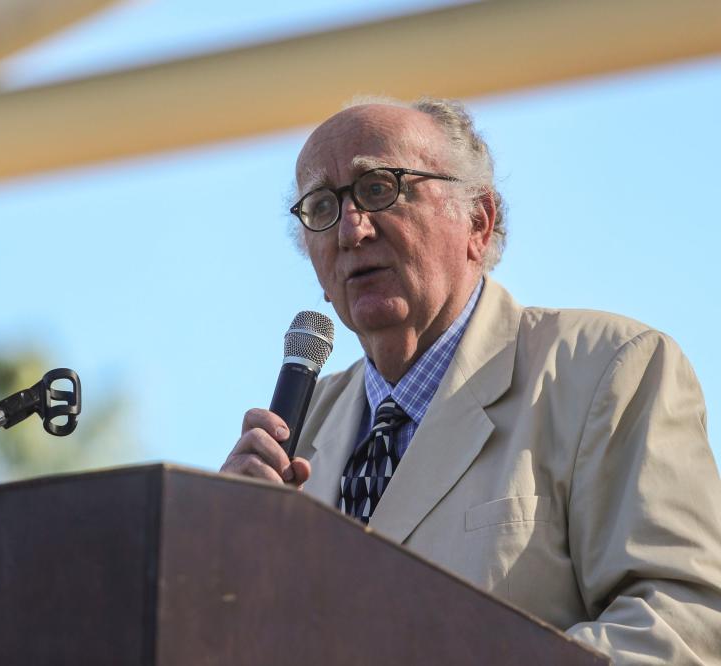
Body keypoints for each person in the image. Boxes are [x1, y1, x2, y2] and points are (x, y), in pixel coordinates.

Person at [221, 97, 721, 664]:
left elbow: (681, 623)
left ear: (478, 222)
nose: (351, 230)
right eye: (320, 207)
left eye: (380, 188)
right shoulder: (293, 438)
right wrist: (212, 562)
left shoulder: (608, 370)